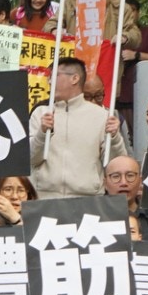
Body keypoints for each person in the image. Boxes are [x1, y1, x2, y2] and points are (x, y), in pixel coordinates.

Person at [28, 58, 127, 200]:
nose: (49, 82)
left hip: (88, 200)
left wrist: (114, 137)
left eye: (55, 76)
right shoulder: (41, 113)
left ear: (74, 78)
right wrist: (42, 133)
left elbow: (116, 164)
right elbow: (31, 159)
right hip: (44, 197)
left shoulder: (102, 116)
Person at [115, 0, 148, 112]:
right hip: (114, 94)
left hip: (140, 94)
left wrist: (137, 55)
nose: (128, 13)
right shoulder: (110, 34)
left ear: (138, 13)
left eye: (132, 10)